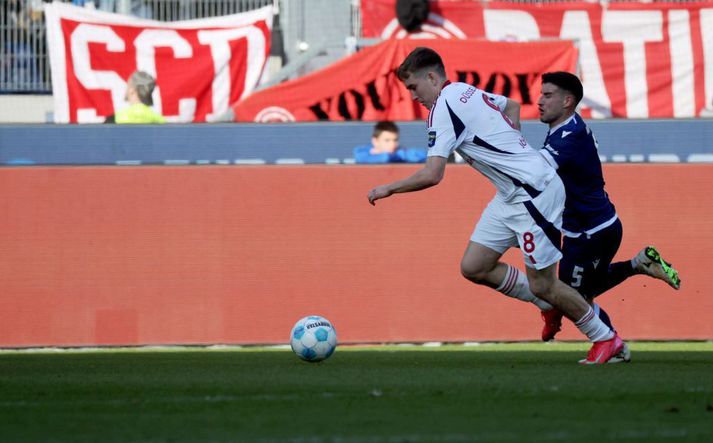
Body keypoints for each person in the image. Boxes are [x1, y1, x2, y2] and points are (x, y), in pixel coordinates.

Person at [367, 47, 625, 364]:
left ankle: (606, 338)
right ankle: (547, 304)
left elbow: (433, 174)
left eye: (413, 87)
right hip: (510, 194)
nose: (413, 96)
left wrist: (388, 188)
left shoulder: (441, 109)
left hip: (534, 193)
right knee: (475, 266)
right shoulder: (464, 90)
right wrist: (511, 147)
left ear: (432, 77)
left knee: (545, 283)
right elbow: (512, 105)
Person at [534, 71, 681, 346]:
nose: (540, 100)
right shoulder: (565, 129)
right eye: (541, 93)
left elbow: (533, 172)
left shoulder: (569, 134)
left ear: (567, 101)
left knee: (571, 298)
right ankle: (639, 264)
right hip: (590, 228)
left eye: (548, 95)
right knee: (574, 291)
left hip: (592, 232)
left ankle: (612, 344)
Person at [353, 121, 426, 164]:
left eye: (395, 140)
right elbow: (360, 158)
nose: (392, 144)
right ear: (375, 141)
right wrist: (387, 156)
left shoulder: (401, 153)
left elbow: (424, 156)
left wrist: (399, 155)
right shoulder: (362, 152)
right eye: (387, 140)